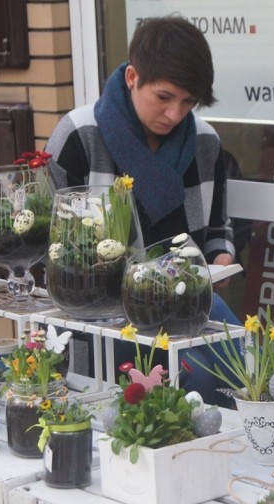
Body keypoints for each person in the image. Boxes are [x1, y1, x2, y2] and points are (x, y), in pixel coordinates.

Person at [46, 16, 241, 406]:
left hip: (186, 299)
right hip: (106, 312)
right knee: (204, 381)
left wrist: (221, 255)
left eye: (188, 102)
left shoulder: (205, 141)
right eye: (164, 97)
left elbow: (218, 226)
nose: (175, 114)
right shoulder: (79, 136)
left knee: (248, 366)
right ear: (133, 77)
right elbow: (51, 250)